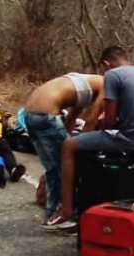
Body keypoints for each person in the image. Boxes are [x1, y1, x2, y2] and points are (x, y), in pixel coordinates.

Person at [46, 46, 134, 230]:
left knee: (69, 145)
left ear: (106, 64)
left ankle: (67, 209)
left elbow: (109, 120)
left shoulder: (113, 75)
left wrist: (98, 127)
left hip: (133, 139)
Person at [24, 71, 105, 224]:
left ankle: (51, 211)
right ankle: (59, 214)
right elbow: (91, 121)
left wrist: (66, 146)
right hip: (46, 114)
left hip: (30, 113)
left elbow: (72, 118)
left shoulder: (83, 83)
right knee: (67, 168)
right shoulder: (106, 84)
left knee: (54, 167)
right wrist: (80, 152)